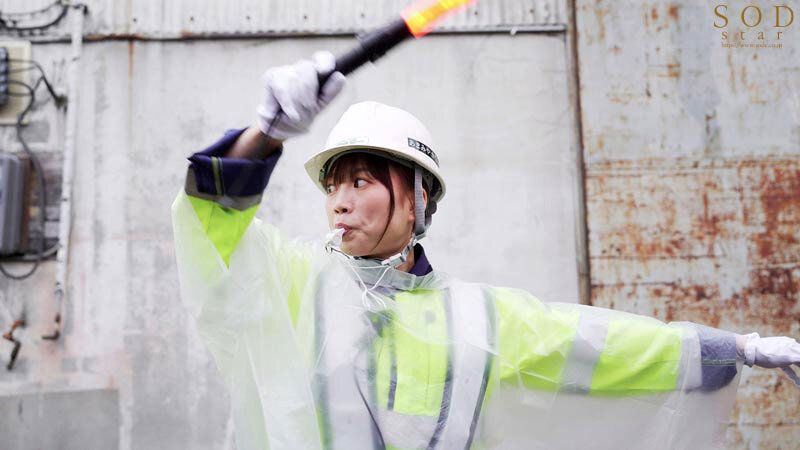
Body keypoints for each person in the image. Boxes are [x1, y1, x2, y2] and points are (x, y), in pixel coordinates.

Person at [172, 52, 800, 450]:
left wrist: (738, 349)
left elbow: (605, 347)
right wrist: (266, 133)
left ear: (418, 200)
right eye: (333, 185)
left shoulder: (477, 320)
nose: (339, 201)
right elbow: (210, 222)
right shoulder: (292, 281)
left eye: (361, 182)